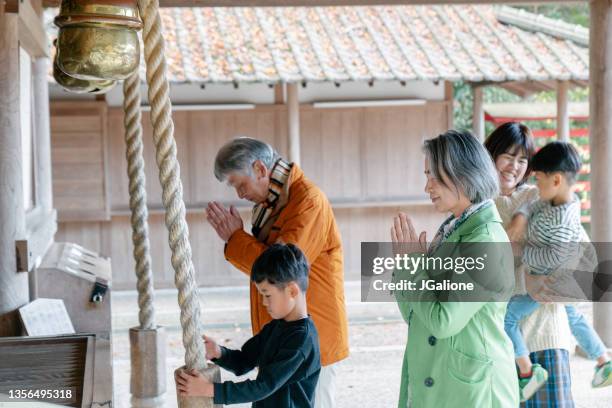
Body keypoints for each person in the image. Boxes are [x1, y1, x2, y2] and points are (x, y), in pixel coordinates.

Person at [205, 137, 348, 408]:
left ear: (260, 169)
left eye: (240, 184)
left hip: (311, 337)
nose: (239, 195)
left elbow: (278, 268)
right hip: (282, 331)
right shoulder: (272, 206)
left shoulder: (308, 202)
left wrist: (236, 239)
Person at [391, 130, 519, 407]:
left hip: (474, 387)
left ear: (464, 173)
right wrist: (406, 266)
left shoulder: (484, 239)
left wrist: (413, 267)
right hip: (441, 375)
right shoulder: (452, 230)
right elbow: (414, 315)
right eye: (427, 176)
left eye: (433, 176)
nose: (427, 187)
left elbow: (442, 321)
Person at [502, 141, 612, 400]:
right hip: (555, 283)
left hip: (546, 286)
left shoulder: (561, 221)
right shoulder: (554, 200)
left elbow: (555, 256)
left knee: (508, 318)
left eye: (538, 179)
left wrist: (522, 251)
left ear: (556, 180)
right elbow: (531, 206)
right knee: (574, 317)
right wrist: (521, 216)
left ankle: (528, 372)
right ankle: (602, 359)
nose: (535, 185)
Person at [486, 122, 577, 407]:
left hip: (543, 333)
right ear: (492, 155)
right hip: (498, 341)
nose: (514, 166)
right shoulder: (478, 202)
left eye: (522, 160)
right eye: (508, 156)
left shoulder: (536, 196)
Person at [175, 243, 321, 407]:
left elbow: (264, 386)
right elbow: (245, 360)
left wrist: (210, 390)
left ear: (292, 291)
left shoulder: (302, 340)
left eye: (267, 295)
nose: (263, 302)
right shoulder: (275, 327)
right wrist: (219, 353)